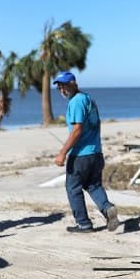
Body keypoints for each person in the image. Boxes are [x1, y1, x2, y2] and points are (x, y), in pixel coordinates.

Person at [53, 71, 119, 233]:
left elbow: (77, 130)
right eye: (59, 87)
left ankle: (83, 223)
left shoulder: (76, 101)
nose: (62, 89)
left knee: (72, 188)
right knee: (93, 185)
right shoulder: (88, 98)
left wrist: (63, 152)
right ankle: (107, 208)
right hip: (96, 153)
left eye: (65, 85)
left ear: (74, 83)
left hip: (81, 155)